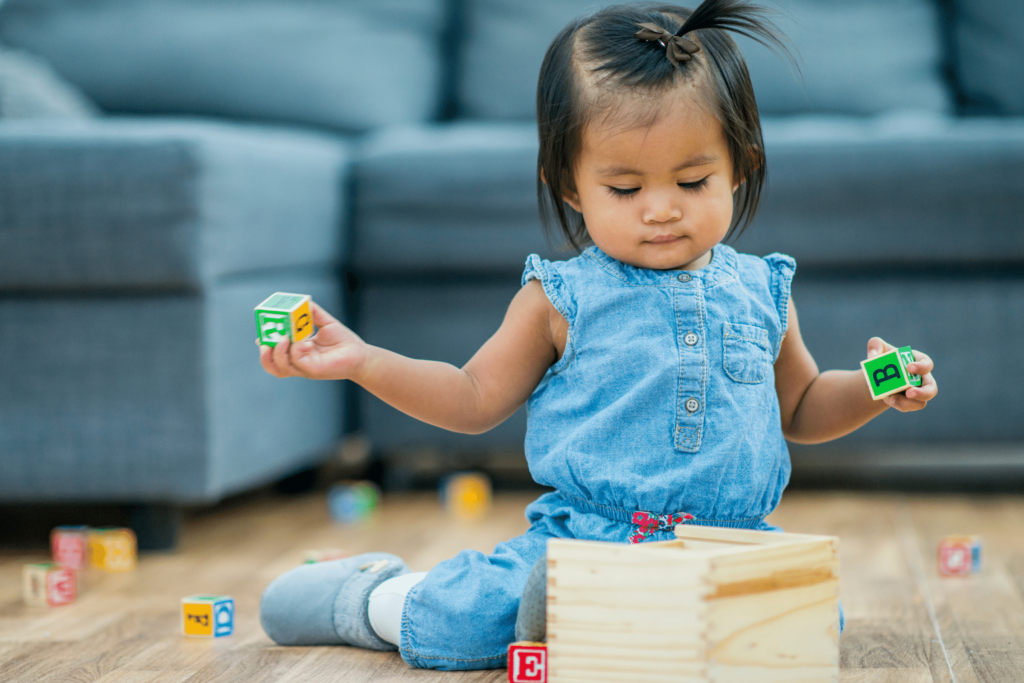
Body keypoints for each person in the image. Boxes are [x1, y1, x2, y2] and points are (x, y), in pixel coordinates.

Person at [256, 0, 938, 670]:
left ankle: (609, 629)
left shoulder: (764, 290)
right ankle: (373, 594)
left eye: (694, 179)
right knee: (469, 622)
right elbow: (470, 397)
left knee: (811, 617)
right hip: (584, 543)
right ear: (573, 188)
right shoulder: (558, 297)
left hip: (727, 544)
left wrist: (879, 388)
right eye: (624, 188)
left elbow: (804, 405)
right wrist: (365, 361)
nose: (662, 209)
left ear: (741, 164)